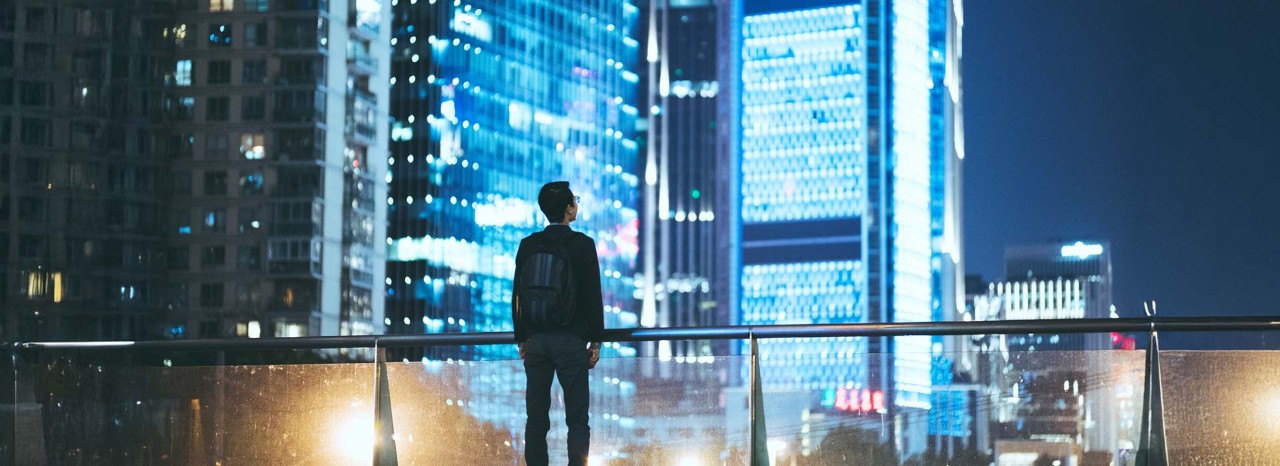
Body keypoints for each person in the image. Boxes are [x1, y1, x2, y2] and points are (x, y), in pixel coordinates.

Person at [513, 181, 604, 466]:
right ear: (569, 209)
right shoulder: (582, 245)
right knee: (577, 420)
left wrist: (522, 338)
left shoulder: (528, 245)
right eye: (574, 200)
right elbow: (592, 295)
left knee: (536, 420)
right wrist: (596, 340)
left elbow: (517, 295)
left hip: (537, 341)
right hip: (571, 341)